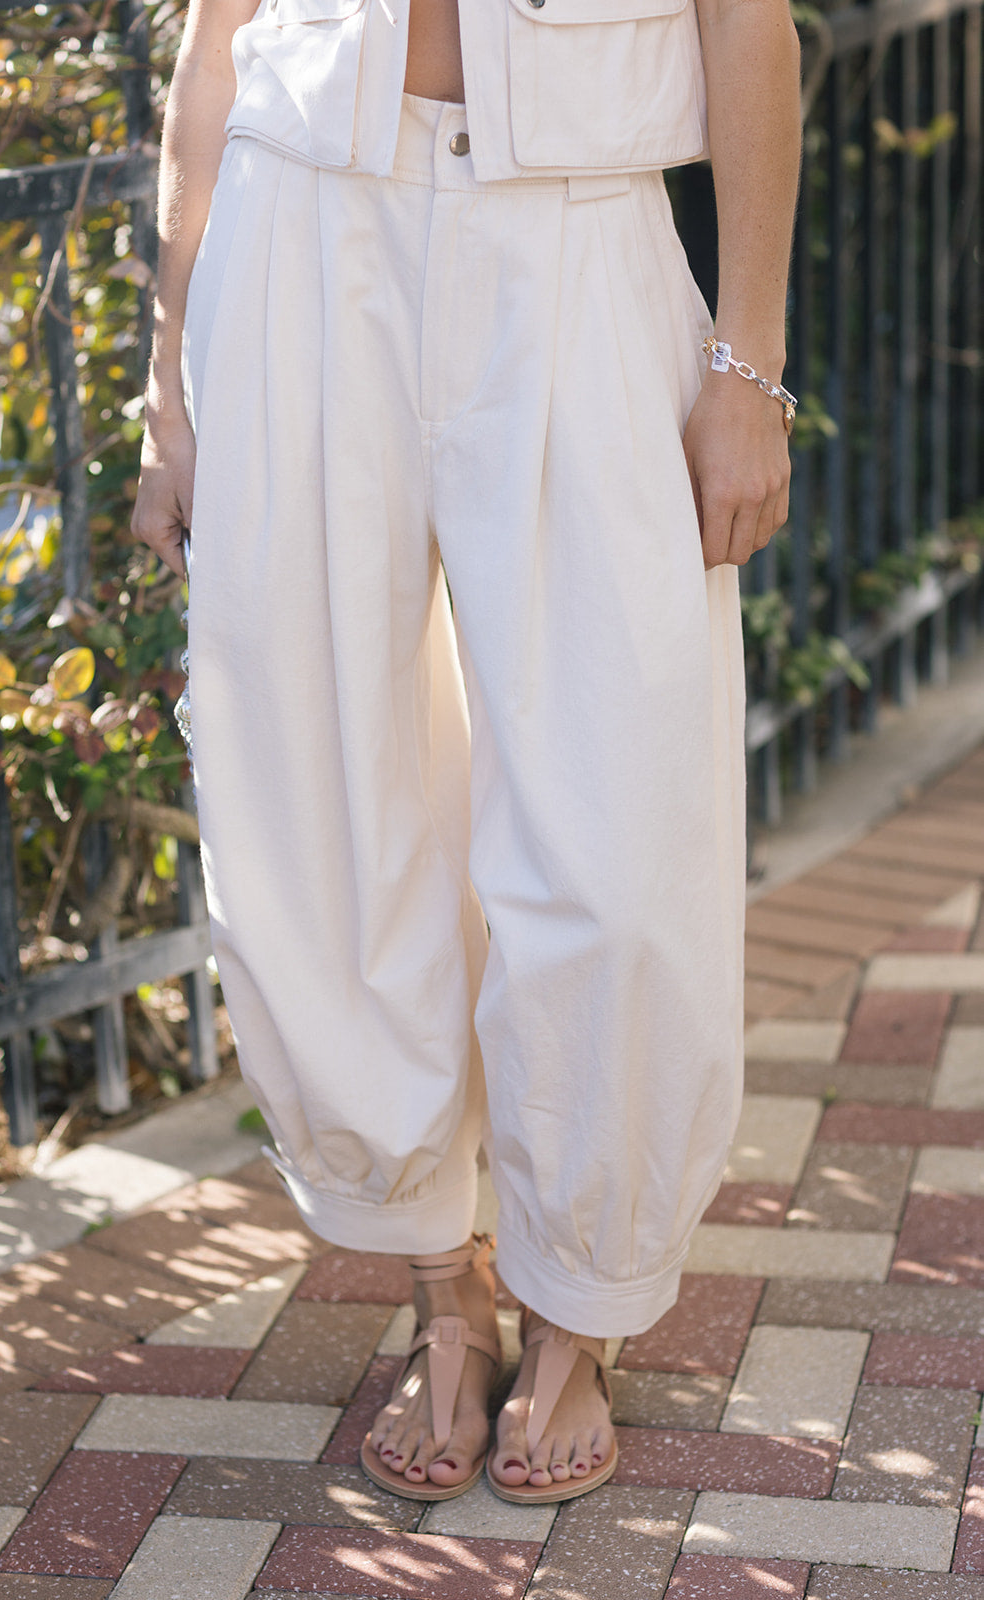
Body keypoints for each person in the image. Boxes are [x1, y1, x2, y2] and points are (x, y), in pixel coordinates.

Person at [132, 0, 801, 1504]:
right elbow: (216, 39)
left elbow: (749, 27)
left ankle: (585, 1297)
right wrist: (172, 388)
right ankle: (448, 1279)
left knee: (621, 825)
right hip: (299, 237)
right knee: (320, 791)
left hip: (576, 242)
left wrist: (744, 367)